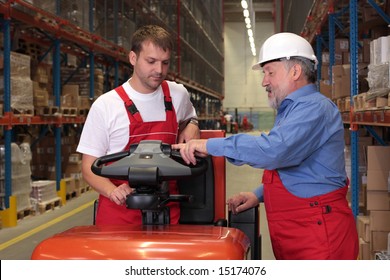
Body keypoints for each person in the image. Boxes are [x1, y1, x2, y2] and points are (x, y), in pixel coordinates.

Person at [172, 32, 358, 260]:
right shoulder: (291, 110)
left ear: (295, 71)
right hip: (301, 230)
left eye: (270, 72)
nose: (264, 81)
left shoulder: (314, 108)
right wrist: (258, 194)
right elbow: (299, 171)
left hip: (320, 234)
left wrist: (212, 145)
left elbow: (275, 150)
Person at [77, 25, 200, 226]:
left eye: (165, 63)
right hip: (120, 210)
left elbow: (190, 117)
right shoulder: (106, 105)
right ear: (133, 58)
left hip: (167, 210)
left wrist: (192, 123)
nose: (159, 70)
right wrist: (111, 191)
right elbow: (88, 167)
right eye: (151, 61)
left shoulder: (178, 94)